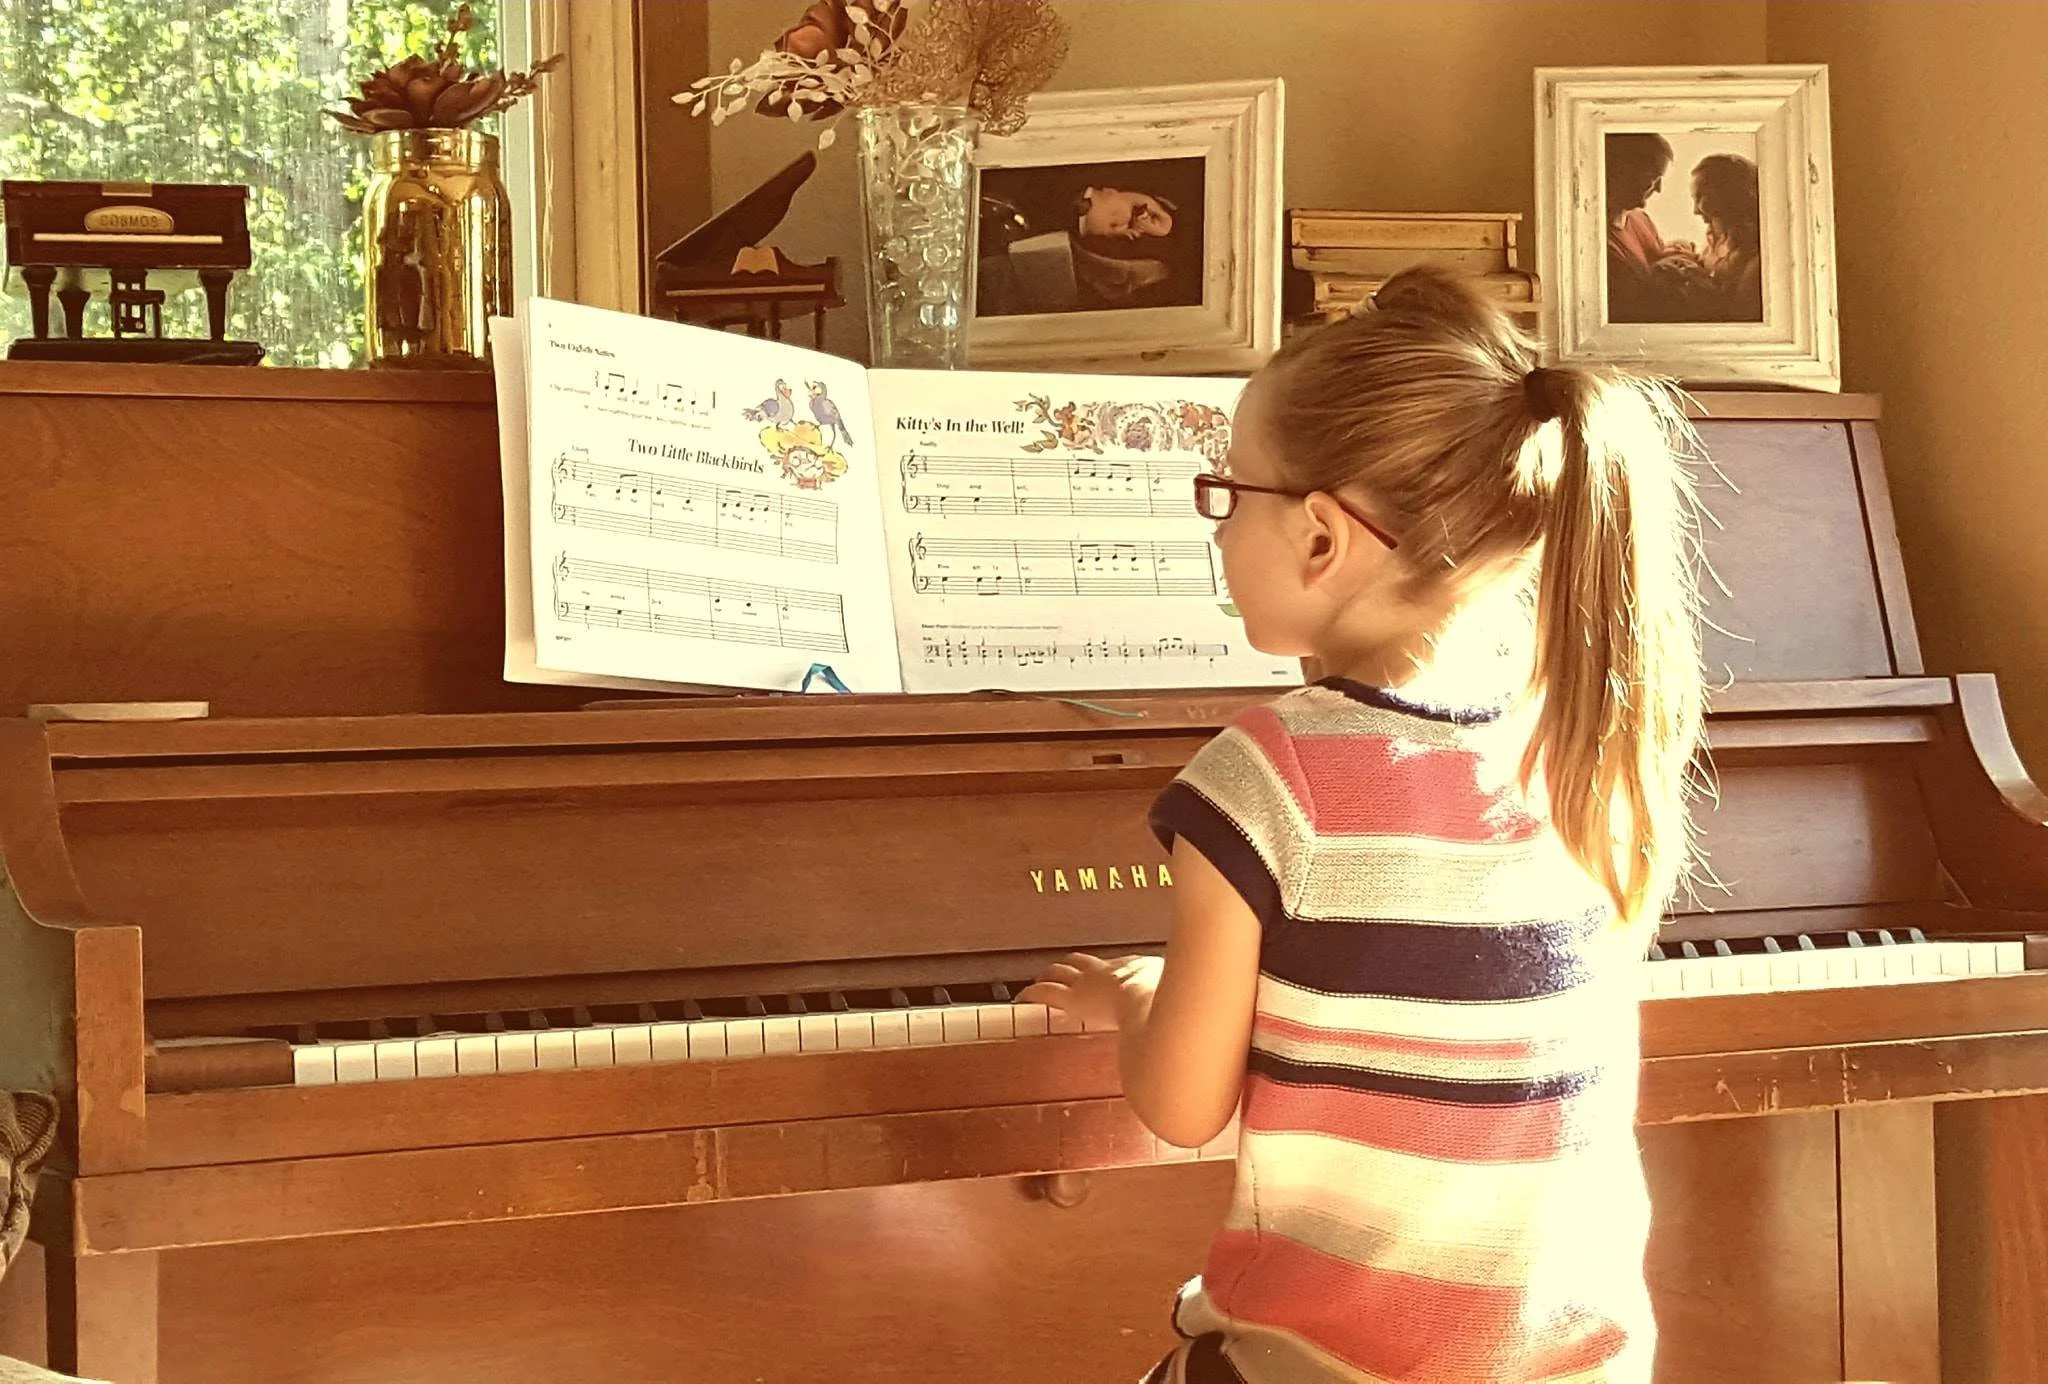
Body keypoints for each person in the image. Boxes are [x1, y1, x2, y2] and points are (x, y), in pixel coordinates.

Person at [1021, 267, 1707, 1384]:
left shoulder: (1267, 775)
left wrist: (1133, 995)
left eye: (1226, 493)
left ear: (1322, 540)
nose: (1217, 522)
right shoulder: (1573, 744)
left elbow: (1184, 1104)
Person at [1690, 153, 1763, 321]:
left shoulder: (1757, 260)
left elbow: (1740, 318)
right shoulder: (1713, 237)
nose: (1695, 210)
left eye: (1701, 197)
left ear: (1729, 194)